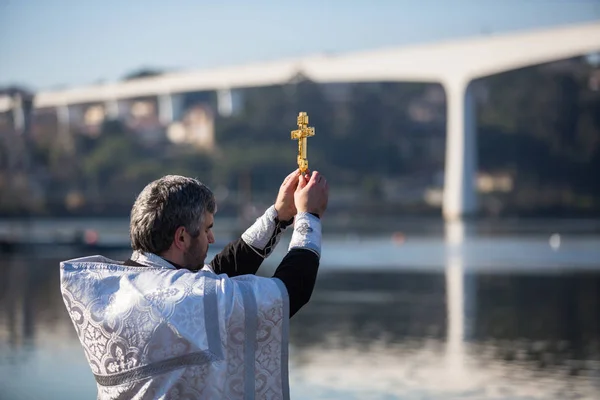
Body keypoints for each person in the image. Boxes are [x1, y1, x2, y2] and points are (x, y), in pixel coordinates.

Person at [59, 169, 329, 399]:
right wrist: (309, 217)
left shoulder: (118, 286)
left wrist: (278, 217)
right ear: (181, 238)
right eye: (208, 229)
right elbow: (288, 292)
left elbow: (212, 276)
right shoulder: (187, 299)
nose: (211, 239)